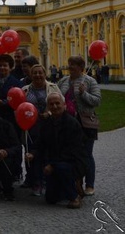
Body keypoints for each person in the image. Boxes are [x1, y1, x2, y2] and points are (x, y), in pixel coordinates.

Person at [26, 93, 87, 209]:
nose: (54, 106)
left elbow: (72, 151)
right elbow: (40, 144)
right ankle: (69, 187)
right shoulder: (46, 124)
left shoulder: (72, 123)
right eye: (51, 104)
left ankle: (75, 196)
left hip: (74, 162)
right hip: (55, 162)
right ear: (48, 106)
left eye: (57, 103)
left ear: (64, 105)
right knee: (51, 199)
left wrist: (53, 165)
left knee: (62, 168)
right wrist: (32, 153)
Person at [57, 55, 101, 197]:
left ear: (81, 67)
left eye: (73, 64)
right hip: (68, 124)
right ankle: (75, 184)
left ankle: (90, 185)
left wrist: (84, 94)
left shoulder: (90, 81)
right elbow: (56, 97)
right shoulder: (63, 81)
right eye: (69, 64)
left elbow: (97, 101)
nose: (70, 67)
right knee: (71, 154)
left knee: (87, 154)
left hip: (85, 123)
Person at [22, 63, 61, 195]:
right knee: (33, 154)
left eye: (40, 72)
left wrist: (49, 113)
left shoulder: (53, 87)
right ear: (31, 75)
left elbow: (61, 104)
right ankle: (36, 182)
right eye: (35, 73)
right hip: (31, 127)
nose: (38, 75)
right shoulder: (25, 90)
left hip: (49, 125)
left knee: (48, 154)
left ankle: (47, 182)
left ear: (45, 74)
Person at [0, 54, 24, 123]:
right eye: (0, 65)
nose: (2, 68)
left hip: (10, 118)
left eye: (5, 65)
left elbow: (19, 100)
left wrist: (4, 103)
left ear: (10, 68)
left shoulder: (16, 83)